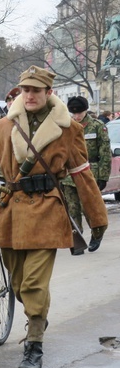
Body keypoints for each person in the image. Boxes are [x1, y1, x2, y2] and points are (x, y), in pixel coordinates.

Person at [0, 66, 108, 368]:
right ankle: (37, 315)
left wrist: (97, 219)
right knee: (18, 284)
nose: (30, 95)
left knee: (35, 283)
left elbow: (82, 174)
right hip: (11, 211)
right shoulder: (2, 127)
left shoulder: (68, 129)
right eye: (26, 89)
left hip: (48, 210)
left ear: (48, 92)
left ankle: (34, 344)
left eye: (36, 90)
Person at [60, 96, 111, 254]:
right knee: (72, 209)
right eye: (73, 114)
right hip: (69, 176)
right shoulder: (65, 127)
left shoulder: (97, 126)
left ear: (85, 110)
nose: (76, 116)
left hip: (89, 174)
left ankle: (97, 233)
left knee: (89, 208)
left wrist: (103, 177)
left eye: (79, 113)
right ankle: (77, 240)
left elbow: (105, 154)